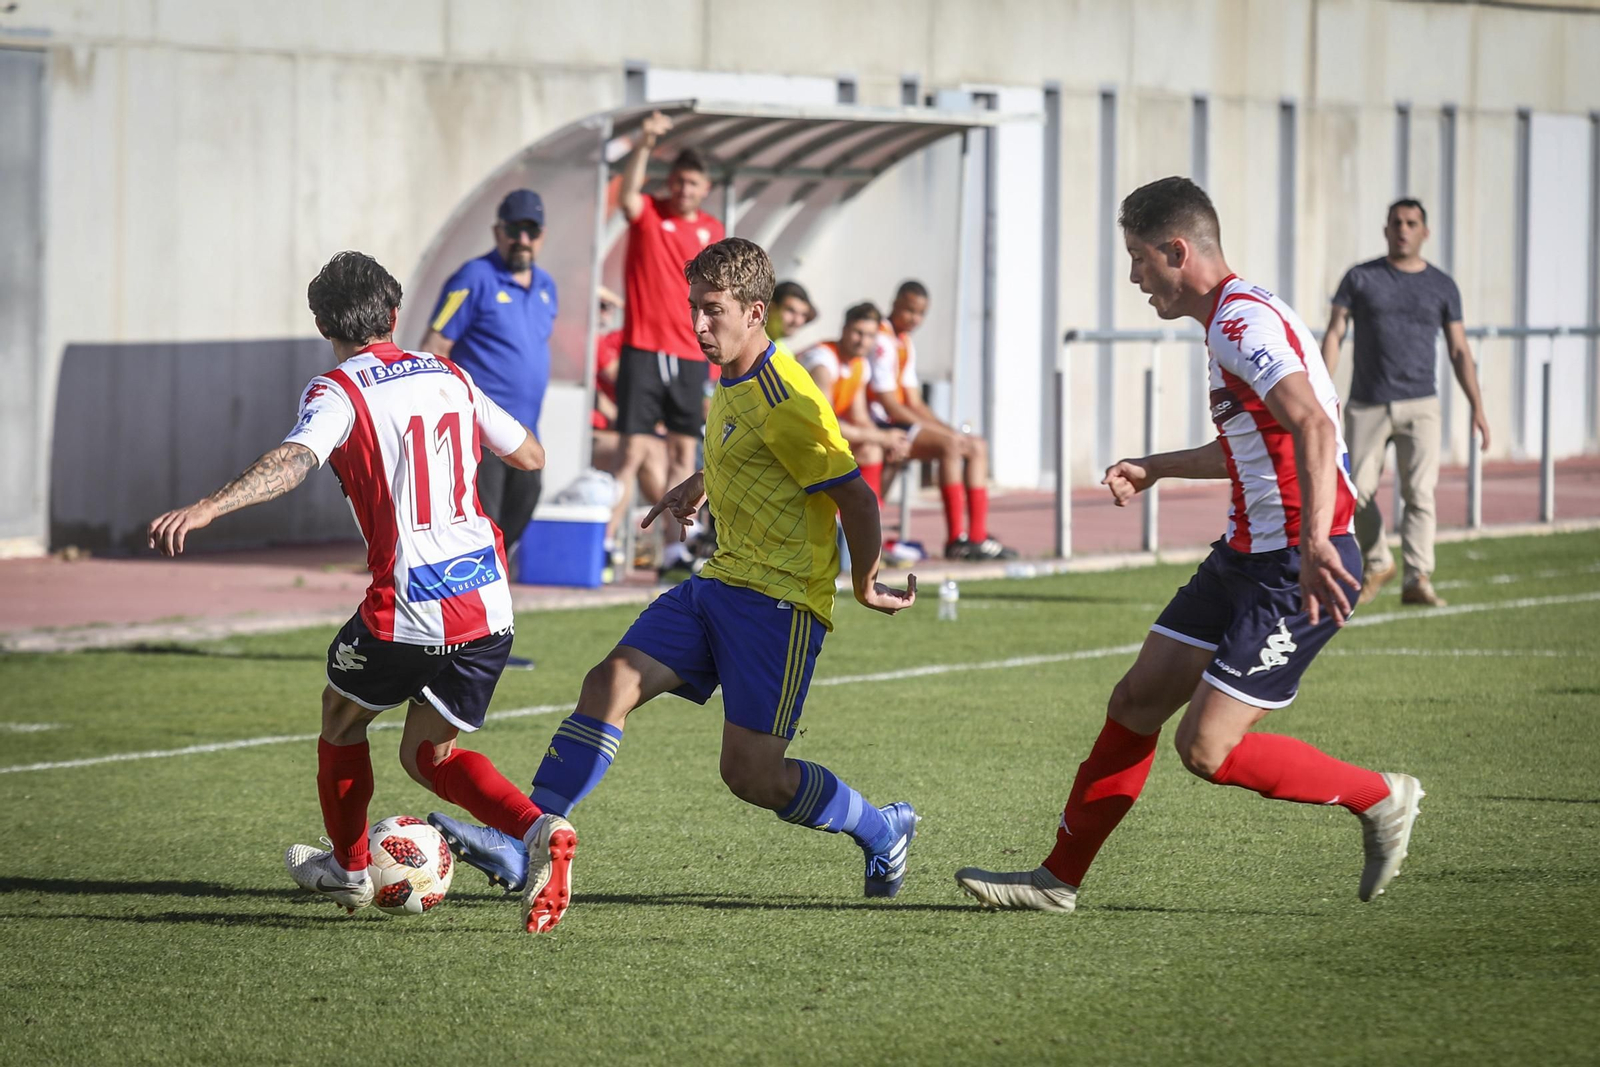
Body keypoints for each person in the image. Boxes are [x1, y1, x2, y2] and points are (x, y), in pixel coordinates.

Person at [954, 178, 1424, 914]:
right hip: (1245, 554)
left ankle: (1382, 796)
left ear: (1177, 250)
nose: (1135, 277)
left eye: (1139, 259)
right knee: (1137, 698)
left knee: (1206, 750)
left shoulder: (1241, 325)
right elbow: (1250, 443)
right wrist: (1157, 467)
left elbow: (1316, 428)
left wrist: (1310, 541)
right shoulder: (1231, 322)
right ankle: (1056, 880)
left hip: (1300, 566)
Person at [428, 238, 922, 906]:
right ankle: (524, 843)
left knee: (751, 774)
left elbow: (855, 497)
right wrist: (702, 482)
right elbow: (750, 451)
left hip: (780, 604)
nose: (697, 325)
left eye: (711, 310)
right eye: (693, 307)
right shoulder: (734, 373)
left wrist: (864, 582)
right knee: (609, 681)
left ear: (755, 311)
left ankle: (881, 828)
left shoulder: (789, 400)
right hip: (718, 584)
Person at [147, 251, 577, 934]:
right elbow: (529, 454)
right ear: (395, 315)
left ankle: (349, 869)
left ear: (324, 323)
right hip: (489, 598)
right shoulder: (450, 373)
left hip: (413, 599)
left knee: (342, 718)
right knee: (427, 754)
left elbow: (296, 458)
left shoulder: (336, 390)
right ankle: (537, 828)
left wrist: (210, 506)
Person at [1322, 198, 1490, 608]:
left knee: (1419, 494)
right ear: (1386, 229)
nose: (1403, 229)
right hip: (1367, 404)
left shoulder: (1442, 285)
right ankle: (1378, 561)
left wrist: (1477, 406)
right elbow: (1334, 334)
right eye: (1396, 222)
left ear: (1424, 232)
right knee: (1352, 490)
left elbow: (1459, 350)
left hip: (1421, 405)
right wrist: (1321, 393)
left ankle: (1418, 577)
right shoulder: (1360, 278)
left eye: (1412, 223)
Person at [614, 111, 725, 582]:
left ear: (705, 188)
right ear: (670, 183)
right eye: (678, 181)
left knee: (685, 454)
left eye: (693, 183)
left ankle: (673, 552)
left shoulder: (712, 230)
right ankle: (606, 546)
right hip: (642, 347)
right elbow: (626, 197)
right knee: (633, 452)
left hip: (688, 354)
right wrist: (644, 143)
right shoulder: (650, 214)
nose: (684, 190)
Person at [869, 280, 1016, 560]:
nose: (914, 318)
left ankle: (976, 537)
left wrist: (946, 429)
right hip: (884, 424)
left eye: (920, 313)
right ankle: (955, 539)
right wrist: (939, 434)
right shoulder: (882, 340)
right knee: (949, 446)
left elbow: (913, 400)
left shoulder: (904, 342)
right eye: (909, 310)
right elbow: (889, 403)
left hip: (901, 421)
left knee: (975, 446)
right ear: (896, 303)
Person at [800, 302, 911, 502]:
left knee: (873, 449)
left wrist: (888, 441)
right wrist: (882, 437)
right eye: (858, 332)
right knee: (872, 446)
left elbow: (859, 417)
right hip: (799, 436)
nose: (863, 341)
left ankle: (867, 523)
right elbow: (824, 423)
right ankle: (855, 523)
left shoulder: (860, 365)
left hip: (819, 436)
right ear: (844, 329)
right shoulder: (823, 362)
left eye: (870, 336)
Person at [767, 279, 817, 357]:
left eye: (803, 315)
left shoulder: (787, 355)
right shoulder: (748, 339)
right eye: (790, 311)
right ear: (771, 307)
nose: (797, 321)